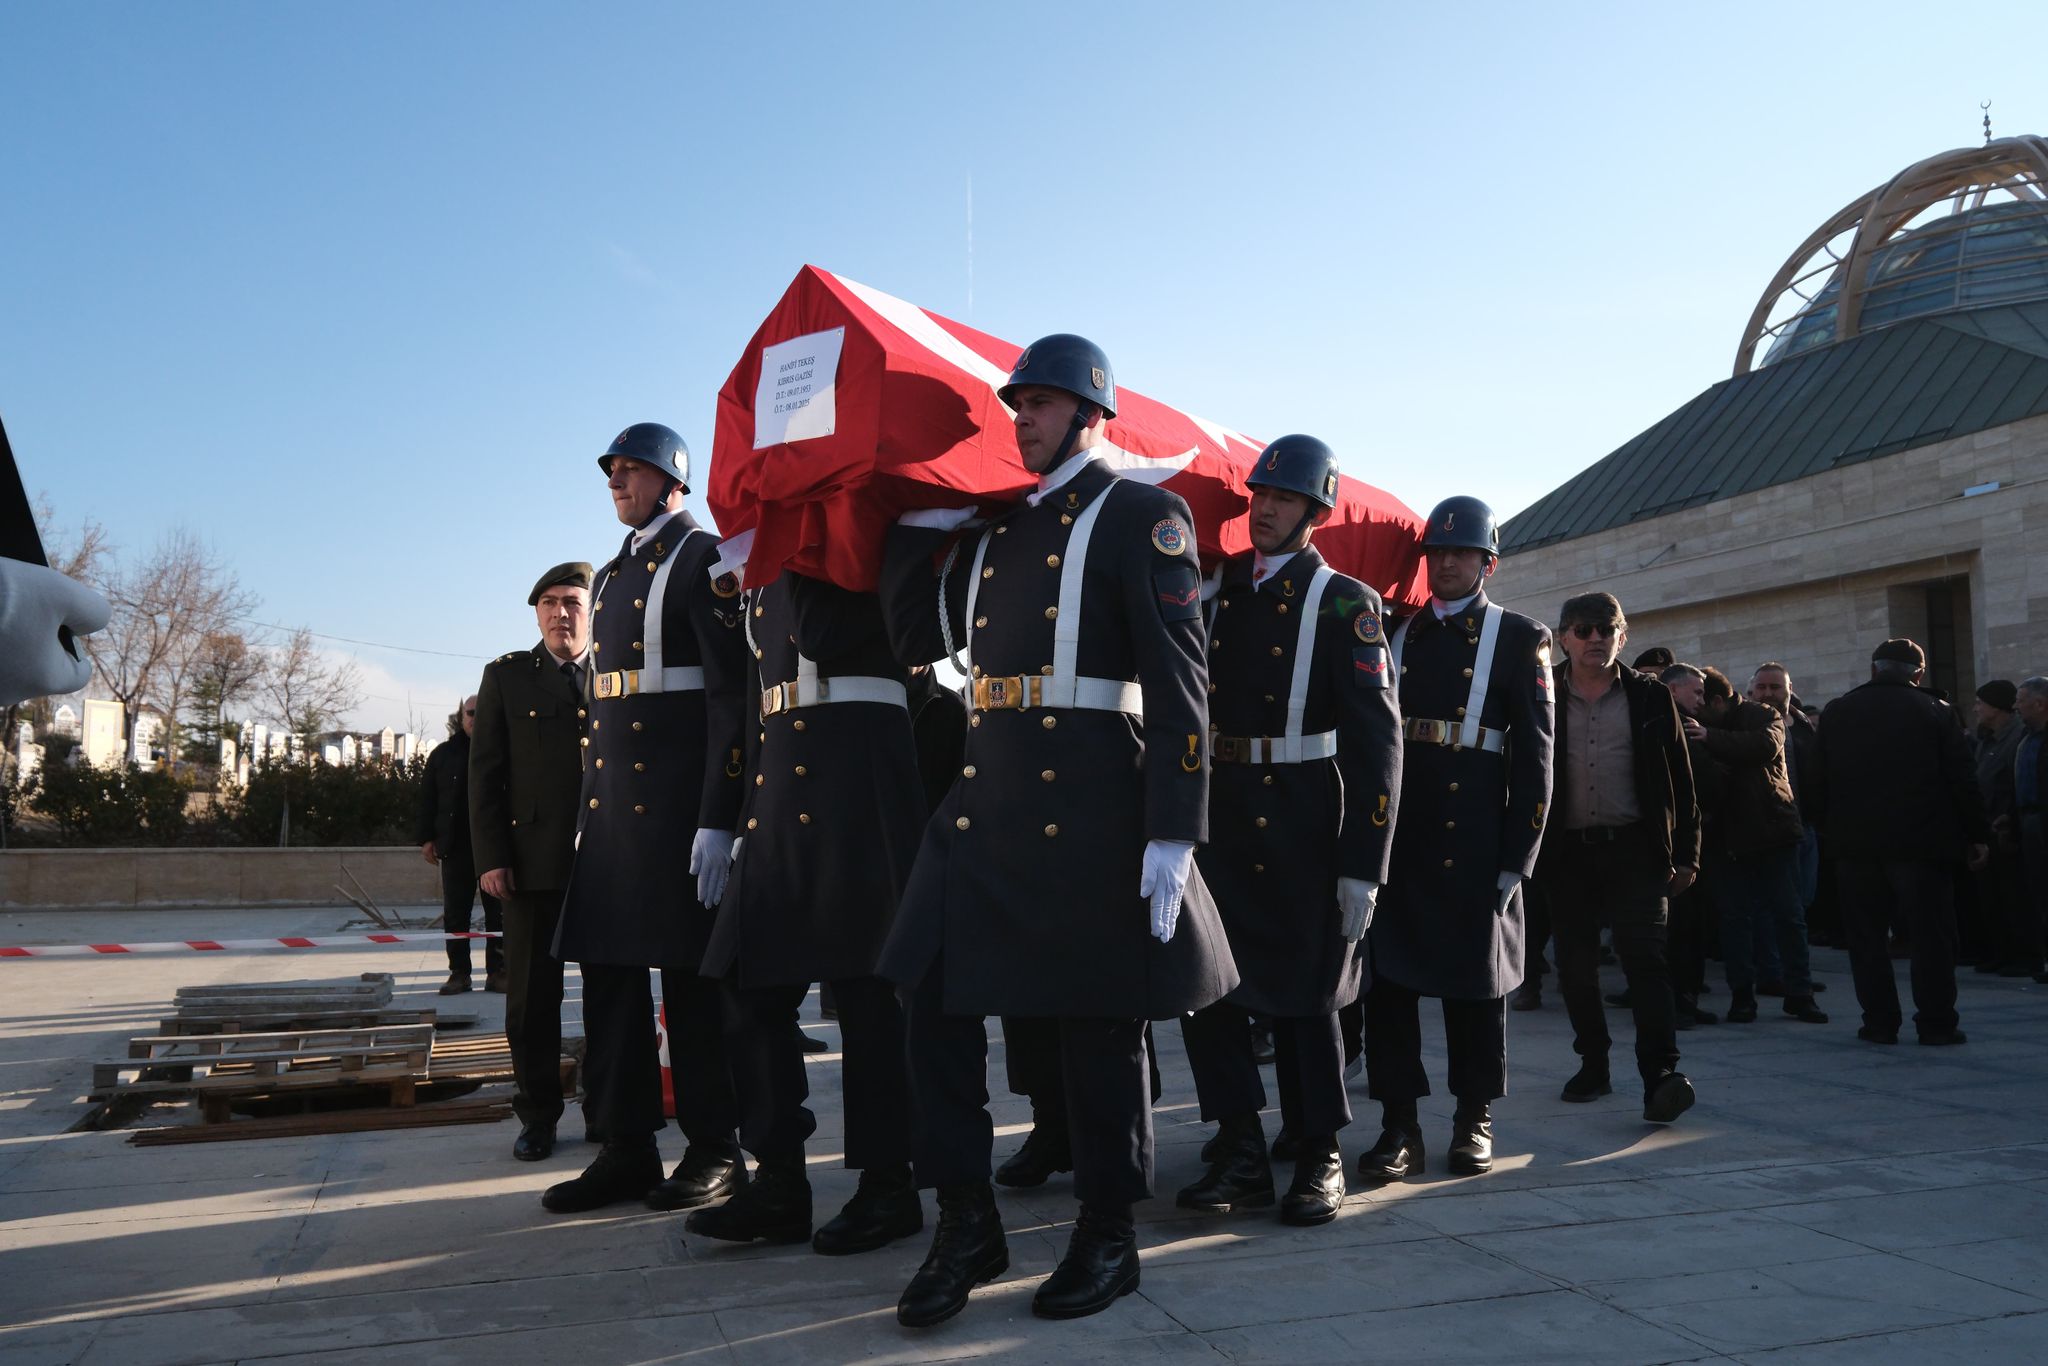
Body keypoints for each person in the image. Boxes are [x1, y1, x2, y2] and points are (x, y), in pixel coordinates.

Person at [878, 333, 1237, 1325]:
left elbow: (1178, 681)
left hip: (1090, 795)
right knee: (928, 998)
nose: (1017, 417)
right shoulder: (996, 532)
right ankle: (965, 1218)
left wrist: (1172, 829)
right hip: (986, 797)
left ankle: (1107, 1230)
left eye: (1035, 402)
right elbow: (918, 642)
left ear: (1087, 412)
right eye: (1014, 402)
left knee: (1095, 1024)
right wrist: (922, 526)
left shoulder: (1140, 515)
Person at [1174, 435, 1401, 1226]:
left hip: (1305, 811)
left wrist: (1363, 865)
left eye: (1283, 499)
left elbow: (1379, 744)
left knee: (1310, 999)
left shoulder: (1346, 602)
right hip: (1220, 812)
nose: (1264, 509)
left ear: (1316, 511)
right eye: (1258, 497)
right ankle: (1238, 1148)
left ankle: (1318, 1154)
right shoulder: (1217, 587)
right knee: (1211, 993)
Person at [687, 571, 924, 1256]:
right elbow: (760, 693)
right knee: (742, 978)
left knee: (867, 996)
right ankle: (780, 1183)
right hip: (778, 789)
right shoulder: (765, 567)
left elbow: (824, 633)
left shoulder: (855, 535)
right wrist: (727, 817)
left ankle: (888, 1184)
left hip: (857, 782)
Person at [543, 423, 748, 1213]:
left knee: (694, 993)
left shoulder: (705, 560)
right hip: (616, 822)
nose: (615, 482)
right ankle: (626, 1146)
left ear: (671, 480)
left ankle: (714, 1149)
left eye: (629, 470)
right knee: (610, 989)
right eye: (611, 471)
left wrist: (717, 817)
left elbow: (730, 699)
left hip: (678, 817)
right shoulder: (616, 572)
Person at [1357, 496, 1552, 1183]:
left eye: (1460, 553)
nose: (1444, 563)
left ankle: (1475, 1119)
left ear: (1487, 563)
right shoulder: (1395, 634)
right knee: (1391, 997)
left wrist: (1517, 859)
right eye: (1436, 553)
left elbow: (1536, 760)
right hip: (1402, 843)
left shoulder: (1520, 638)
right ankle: (1399, 1125)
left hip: (1472, 841)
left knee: (1476, 994)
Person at [1536, 593, 1698, 1122]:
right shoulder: (1541, 693)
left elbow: (1680, 781)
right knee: (1576, 968)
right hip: (1567, 853)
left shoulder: (1650, 697)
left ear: (1622, 636)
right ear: (1563, 637)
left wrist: (1687, 854)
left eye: (1606, 628)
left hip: (1636, 849)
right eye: (1582, 629)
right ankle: (1594, 1063)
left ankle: (1661, 1075)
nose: (1594, 638)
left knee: (1646, 961)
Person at [469, 562, 593, 1161]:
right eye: (548, 602)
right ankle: (538, 1114)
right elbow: (485, 776)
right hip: (531, 865)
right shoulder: (508, 678)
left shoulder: (618, 673)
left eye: (571, 601)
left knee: (611, 998)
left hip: (605, 862)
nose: (559, 613)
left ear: (591, 610)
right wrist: (491, 858)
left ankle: (611, 1108)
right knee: (530, 1001)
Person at [1813, 640, 1990, 1045]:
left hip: (1855, 847)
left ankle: (1879, 1023)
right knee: (1932, 938)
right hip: (1922, 845)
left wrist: (1831, 829)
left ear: (1874, 670)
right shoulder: (1936, 711)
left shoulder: (1839, 711)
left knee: (1866, 939)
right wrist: (1977, 835)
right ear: (1918, 674)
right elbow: (1963, 781)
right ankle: (1936, 1023)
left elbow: (1815, 779)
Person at [1671, 666, 1826, 1026]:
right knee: (1735, 921)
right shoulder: (1698, 725)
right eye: (1763, 686)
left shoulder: (1762, 716)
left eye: (1701, 702)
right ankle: (1743, 997)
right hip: (1728, 837)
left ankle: (1799, 994)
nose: (1695, 709)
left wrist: (1710, 736)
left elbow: (1764, 746)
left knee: (1789, 917)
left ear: (1717, 702)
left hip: (1772, 833)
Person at [414, 696, 504, 996]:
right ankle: (459, 973)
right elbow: (428, 799)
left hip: (493, 848)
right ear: (461, 716)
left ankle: (498, 972)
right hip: (455, 847)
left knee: (499, 914)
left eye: (482, 712)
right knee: (456, 914)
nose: (475, 718)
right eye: (471, 713)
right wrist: (426, 839)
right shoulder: (442, 755)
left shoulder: (502, 751)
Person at [1971, 680, 2035, 977]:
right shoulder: (1986, 739)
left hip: (2010, 830)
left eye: (1980, 703)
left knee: (2015, 896)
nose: (1976, 709)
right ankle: (2001, 953)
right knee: (1992, 897)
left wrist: (2007, 818)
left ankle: (2023, 955)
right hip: (1988, 829)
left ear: (1996, 707)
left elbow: (2014, 782)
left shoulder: (2019, 737)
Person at [2014, 678, 2048, 985]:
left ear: (2039, 703)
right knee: (2038, 893)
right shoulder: (2027, 738)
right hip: (2028, 822)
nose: (2017, 706)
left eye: (2021, 700)